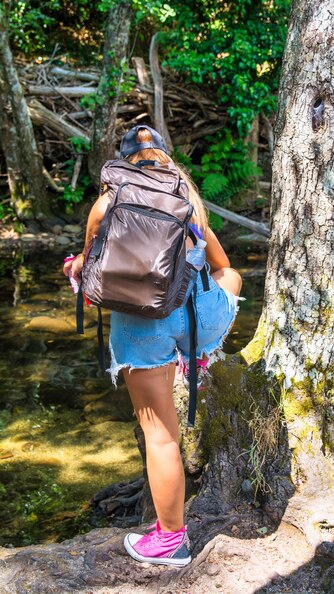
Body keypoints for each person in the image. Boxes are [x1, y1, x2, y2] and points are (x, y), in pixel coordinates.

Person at [63, 126, 242, 567]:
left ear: (122, 164)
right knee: (232, 279)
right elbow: (224, 267)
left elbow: (90, 270)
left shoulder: (107, 203)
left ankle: (169, 542)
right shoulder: (188, 202)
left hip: (140, 324)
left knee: (161, 437)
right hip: (196, 319)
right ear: (167, 159)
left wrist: (73, 265)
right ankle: (194, 353)